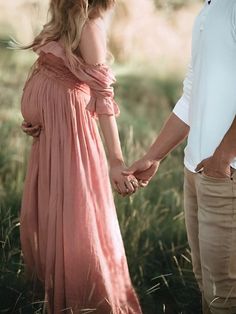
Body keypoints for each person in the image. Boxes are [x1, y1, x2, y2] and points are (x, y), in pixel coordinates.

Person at [19, 0, 143, 313]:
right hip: (52, 133)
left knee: (74, 207)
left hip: (70, 131)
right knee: (55, 206)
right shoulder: (69, 16)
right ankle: (53, 285)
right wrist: (36, 110)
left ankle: (84, 297)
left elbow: (103, 97)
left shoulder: (89, 25)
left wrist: (116, 161)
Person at [123, 0, 236, 313]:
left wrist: (223, 158)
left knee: (225, 294)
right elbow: (191, 94)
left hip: (226, 176)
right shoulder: (208, 10)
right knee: (207, 284)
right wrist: (154, 156)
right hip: (196, 170)